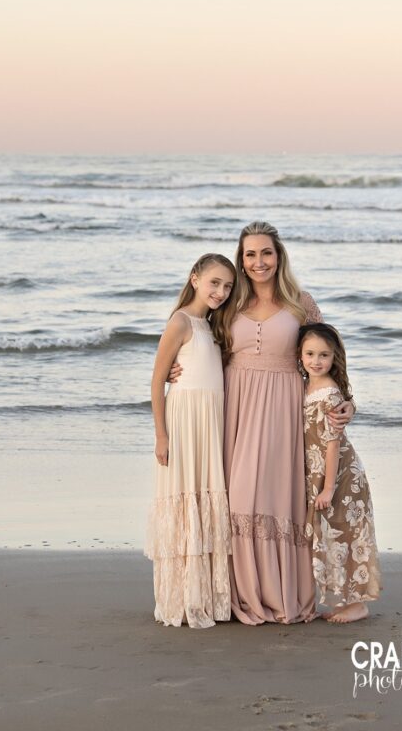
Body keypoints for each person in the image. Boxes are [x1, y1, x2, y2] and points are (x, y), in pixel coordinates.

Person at [223, 221, 355, 624]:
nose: (258, 261)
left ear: (278, 256)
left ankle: (283, 595)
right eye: (250, 254)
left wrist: (347, 401)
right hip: (235, 406)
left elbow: (327, 354)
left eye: (266, 252)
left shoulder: (301, 302)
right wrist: (178, 369)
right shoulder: (228, 303)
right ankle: (241, 593)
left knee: (278, 497)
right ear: (241, 261)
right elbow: (204, 345)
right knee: (238, 497)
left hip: (284, 407)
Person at [145, 253, 236, 628]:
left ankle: (209, 597)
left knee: (206, 496)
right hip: (184, 420)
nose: (221, 291)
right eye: (215, 282)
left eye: (228, 286)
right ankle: (181, 598)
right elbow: (156, 379)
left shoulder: (213, 325)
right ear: (195, 278)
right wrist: (161, 435)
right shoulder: (181, 321)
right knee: (185, 500)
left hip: (210, 421)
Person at [298, 322, 382, 623]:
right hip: (320, 474)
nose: (316, 361)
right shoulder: (305, 384)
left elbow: (332, 445)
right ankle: (345, 601)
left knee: (348, 535)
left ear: (335, 358)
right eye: (309, 354)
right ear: (300, 353)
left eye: (324, 355)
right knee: (331, 536)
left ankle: (359, 604)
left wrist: (328, 488)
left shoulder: (330, 394)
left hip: (341, 476)